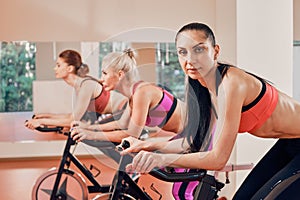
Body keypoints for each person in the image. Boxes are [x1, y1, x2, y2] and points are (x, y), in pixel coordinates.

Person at [120, 22, 300, 200]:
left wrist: (162, 159)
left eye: (199, 49)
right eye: (183, 52)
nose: (190, 60)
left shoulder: (232, 84)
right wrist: (145, 144)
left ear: (215, 51)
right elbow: (193, 143)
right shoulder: (202, 88)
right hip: (289, 142)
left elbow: (218, 159)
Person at [71, 48, 186, 143]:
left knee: (160, 163)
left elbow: (131, 135)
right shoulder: (133, 95)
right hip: (186, 134)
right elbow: (121, 123)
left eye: (105, 73)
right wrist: (87, 127)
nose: (101, 79)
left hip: (198, 130)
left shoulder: (141, 93)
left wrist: (90, 135)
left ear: (120, 74)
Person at [25, 49, 128, 130]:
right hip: (119, 113)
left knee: (92, 134)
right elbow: (73, 116)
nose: (55, 68)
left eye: (58, 65)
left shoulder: (86, 86)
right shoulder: (80, 86)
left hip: (125, 111)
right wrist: (46, 117)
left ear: (70, 69)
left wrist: (41, 122)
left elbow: (72, 120)